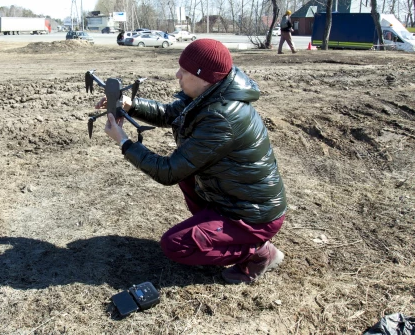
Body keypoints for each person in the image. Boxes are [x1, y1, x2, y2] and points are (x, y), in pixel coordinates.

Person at [99, 39, 287, 284]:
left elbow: (167, 172)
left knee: (175, 246)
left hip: (254, 216)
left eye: (184, 71)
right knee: (188, 175)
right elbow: (169, 114)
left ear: (204, 77)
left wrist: (124, 142)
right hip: (235, 199)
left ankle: (259, 252)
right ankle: (221, 229)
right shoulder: (210, 94)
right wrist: (131, 105)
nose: (177, 75)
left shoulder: (221, 118)